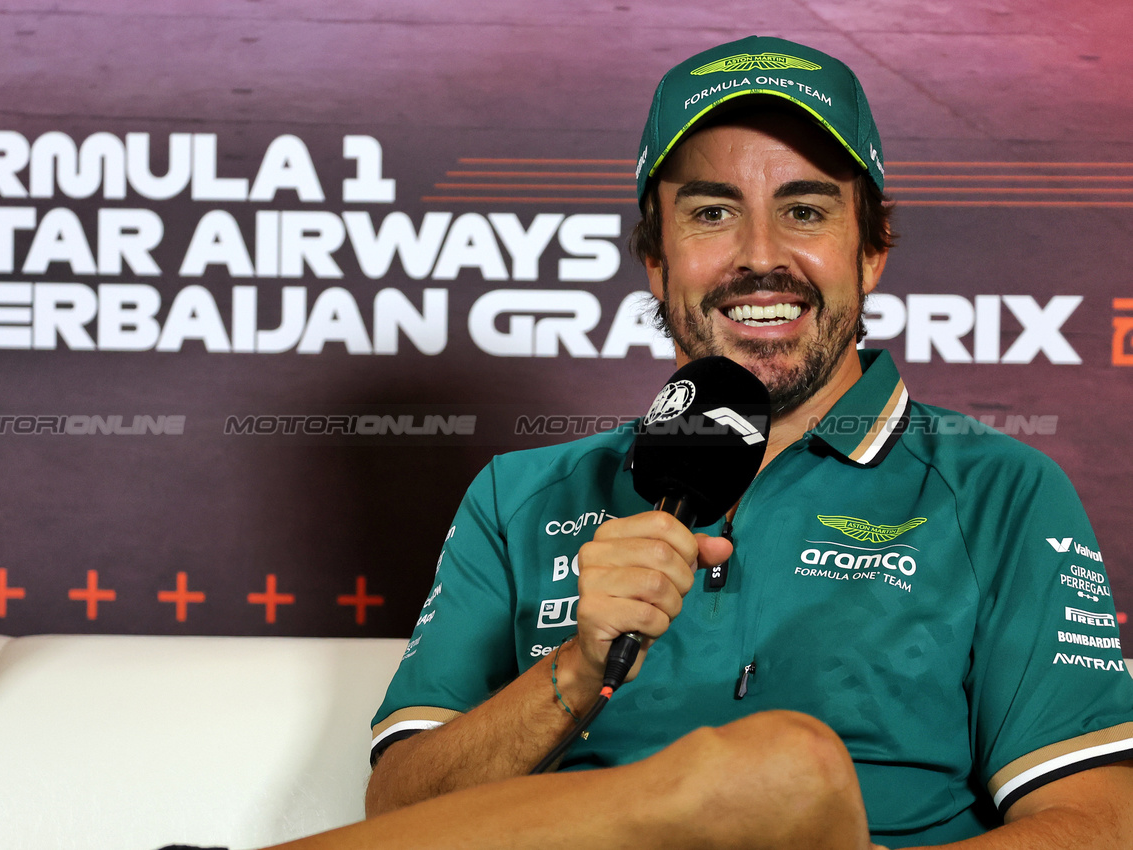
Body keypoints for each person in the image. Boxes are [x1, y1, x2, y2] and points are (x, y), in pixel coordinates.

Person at [362, 35, 1133, 848]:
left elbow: (1095, 825)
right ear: (655, 258)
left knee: (782, 766)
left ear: (869, 252)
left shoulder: (998, 489)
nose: (761, 257)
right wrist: (579, 668)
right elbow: (401, 817)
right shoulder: (519, 495)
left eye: (804, 210)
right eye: (711, 213)